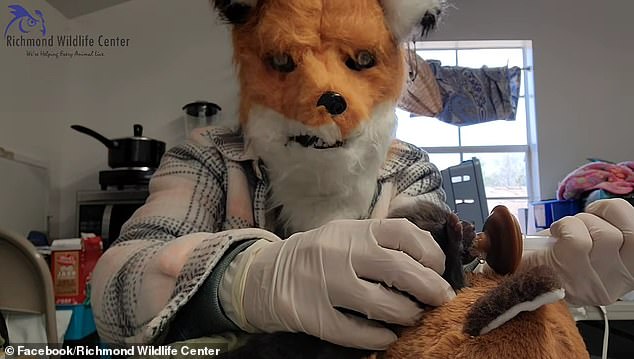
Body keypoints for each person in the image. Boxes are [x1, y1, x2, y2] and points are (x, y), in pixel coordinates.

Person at [91, 0, 634, 350]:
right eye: (285, 62)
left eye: (359, 60)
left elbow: (459, 290)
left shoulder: (410, 170)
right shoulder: (210, 157)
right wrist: (248, 280)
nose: (323, 95)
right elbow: (114, 291)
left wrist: (546, 275)